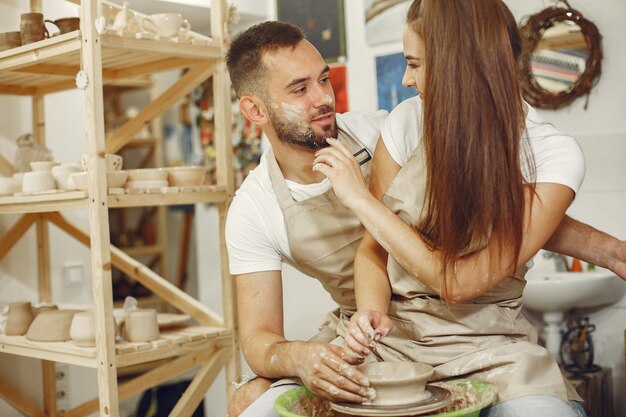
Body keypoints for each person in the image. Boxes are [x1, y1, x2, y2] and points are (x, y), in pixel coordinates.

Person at [224, 19, 626, 417]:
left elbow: (506, 212)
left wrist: (608, 251)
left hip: (481, 334)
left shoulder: (383, 130)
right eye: (300, 88)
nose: (324, 97)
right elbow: (260, 337)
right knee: (250, 403)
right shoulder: (255, 208)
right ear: (255, 109)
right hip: (377, 332)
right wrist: (299, 358)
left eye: (324, 79)